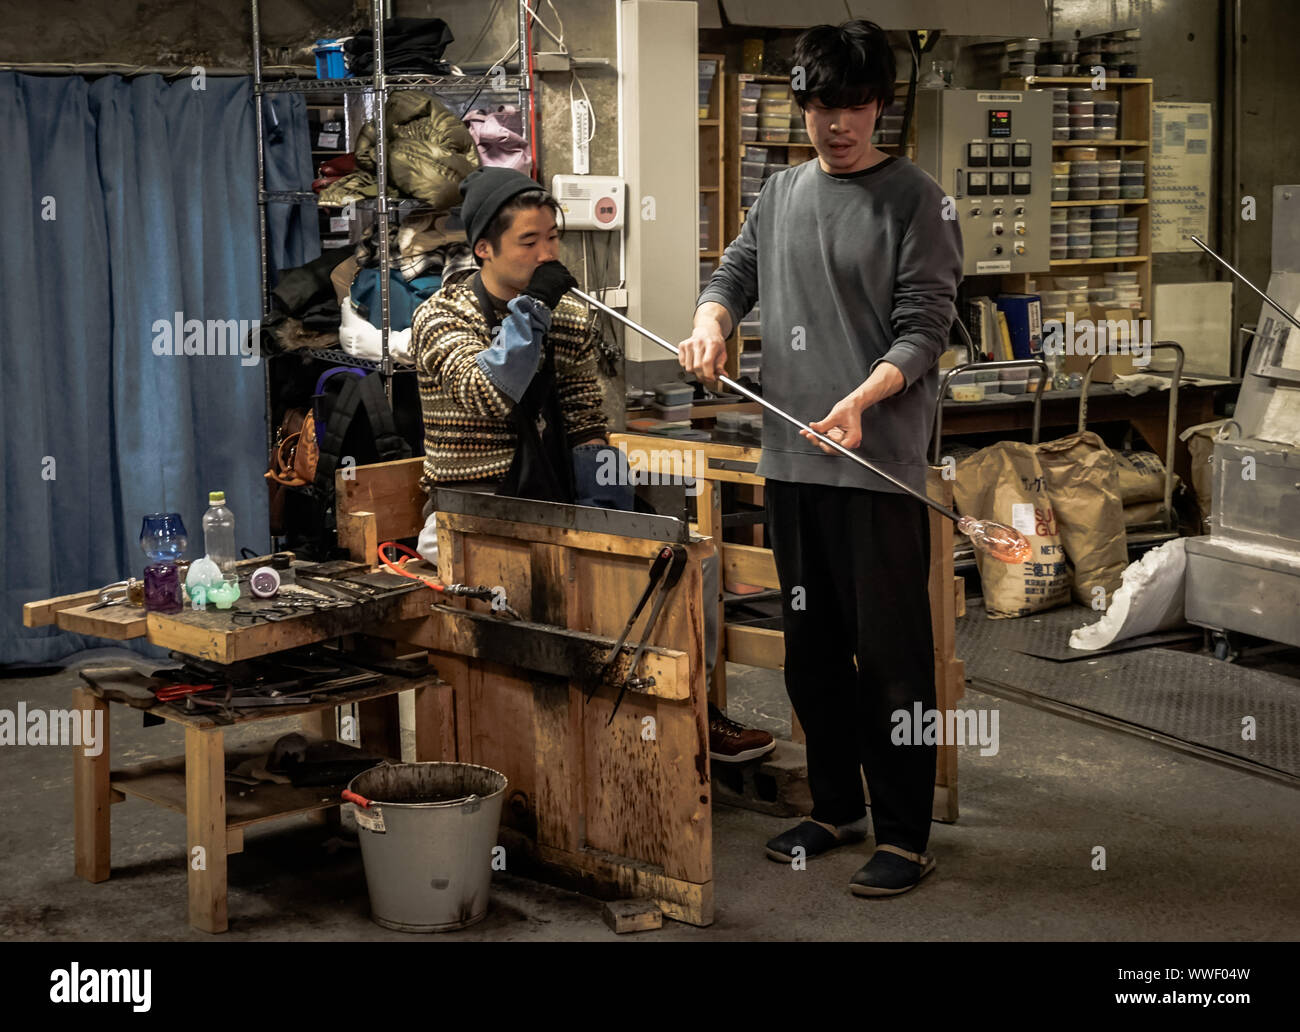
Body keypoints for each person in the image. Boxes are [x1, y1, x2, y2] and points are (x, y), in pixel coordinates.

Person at [680, 20, 963, 896]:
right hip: (792, 461)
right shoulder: (780, 191)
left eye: (852, 106)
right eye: (817, 107)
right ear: (799, 106)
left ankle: (905, 832)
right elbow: (734, 272)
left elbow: (926, 329)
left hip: (875, 471)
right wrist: (710, 320)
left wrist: (867, 397)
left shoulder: (920, 201)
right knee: (811, 649)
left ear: (879, 106)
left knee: (891, 658)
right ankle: (836, 804)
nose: (834, 124)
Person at [411, 167, 775, 763]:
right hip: (476, 511)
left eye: (552, 238)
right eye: (529, 242)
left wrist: (617, 521)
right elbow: (488, 391)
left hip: (557, 501)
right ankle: (566, 743)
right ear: (484, 249)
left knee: (686, 560)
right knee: (561, 599)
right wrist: (532, 311)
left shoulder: (571, 319)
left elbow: (585, 428)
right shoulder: (442, 319)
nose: (548, 252)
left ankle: (687, 718)